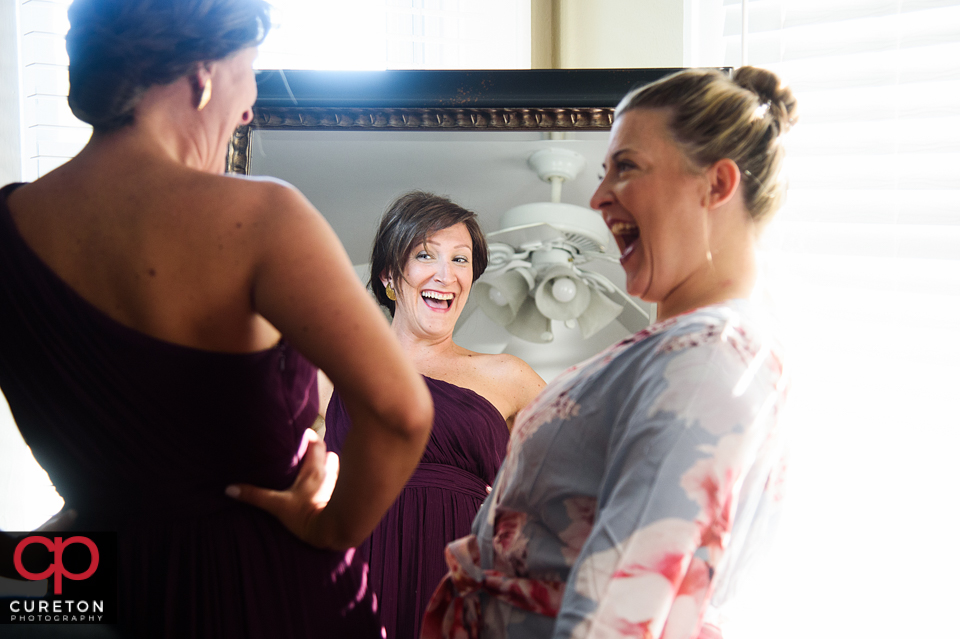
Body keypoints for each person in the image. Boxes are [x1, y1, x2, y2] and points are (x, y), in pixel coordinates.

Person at [0, 0, 433, 636]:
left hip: (86, 591)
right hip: (262, 592)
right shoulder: (262, 217)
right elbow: (403, 413)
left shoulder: (10, 227)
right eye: (251, 70)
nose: (251, 104)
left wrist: (69, 534)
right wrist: (331, 524)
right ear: (203, 75)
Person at [418, 67, 798, 639]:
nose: (598, 197)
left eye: (626, 167)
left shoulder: (709, 362)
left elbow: (621, 613)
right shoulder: (677, 352)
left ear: (716, 185)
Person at [319, 191, 546, 639]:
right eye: (425, 254)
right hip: (351, 575)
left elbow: (577, 480)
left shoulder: (508, 377)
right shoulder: (332, 370)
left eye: (461, 260)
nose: (446, 275)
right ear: (388, 274)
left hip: (464, 584)